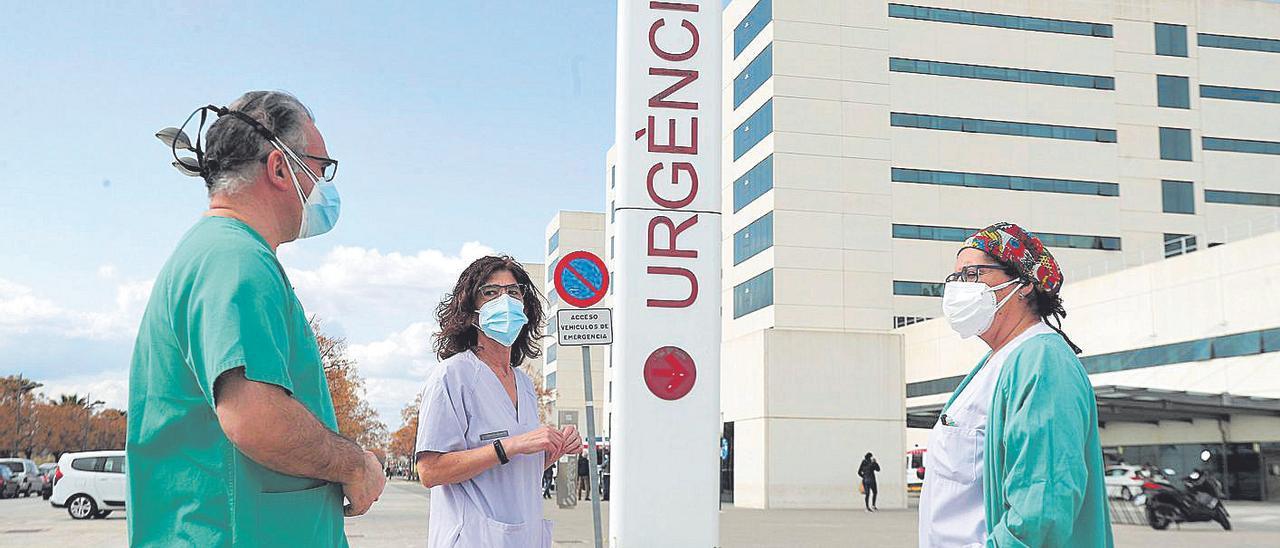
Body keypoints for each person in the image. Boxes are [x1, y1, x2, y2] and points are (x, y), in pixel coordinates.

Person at [126, 91, 385, 547]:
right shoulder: (236, 259)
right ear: (281, 168)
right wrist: (356, 464)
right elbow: (255, 418)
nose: (324, 184)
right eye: (321, 168)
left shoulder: (220, 254)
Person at [917, 222, 1113, 547]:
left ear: (1023, 284)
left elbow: (1043, 506)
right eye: (955, 278)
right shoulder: (1000, 360)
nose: (957, 289)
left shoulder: (1042, 361)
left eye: (972, 274)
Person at [416, 256, 582, 547]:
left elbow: (510, 472)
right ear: (471, 311)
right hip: (473, 538)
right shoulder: (452, 376)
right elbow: (431, 471)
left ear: (525, 307)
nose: (504, 300)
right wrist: (513, 444)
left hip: (522, 535)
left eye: (513, 292)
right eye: (490, 292)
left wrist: (551, 450)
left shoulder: (524, 384)